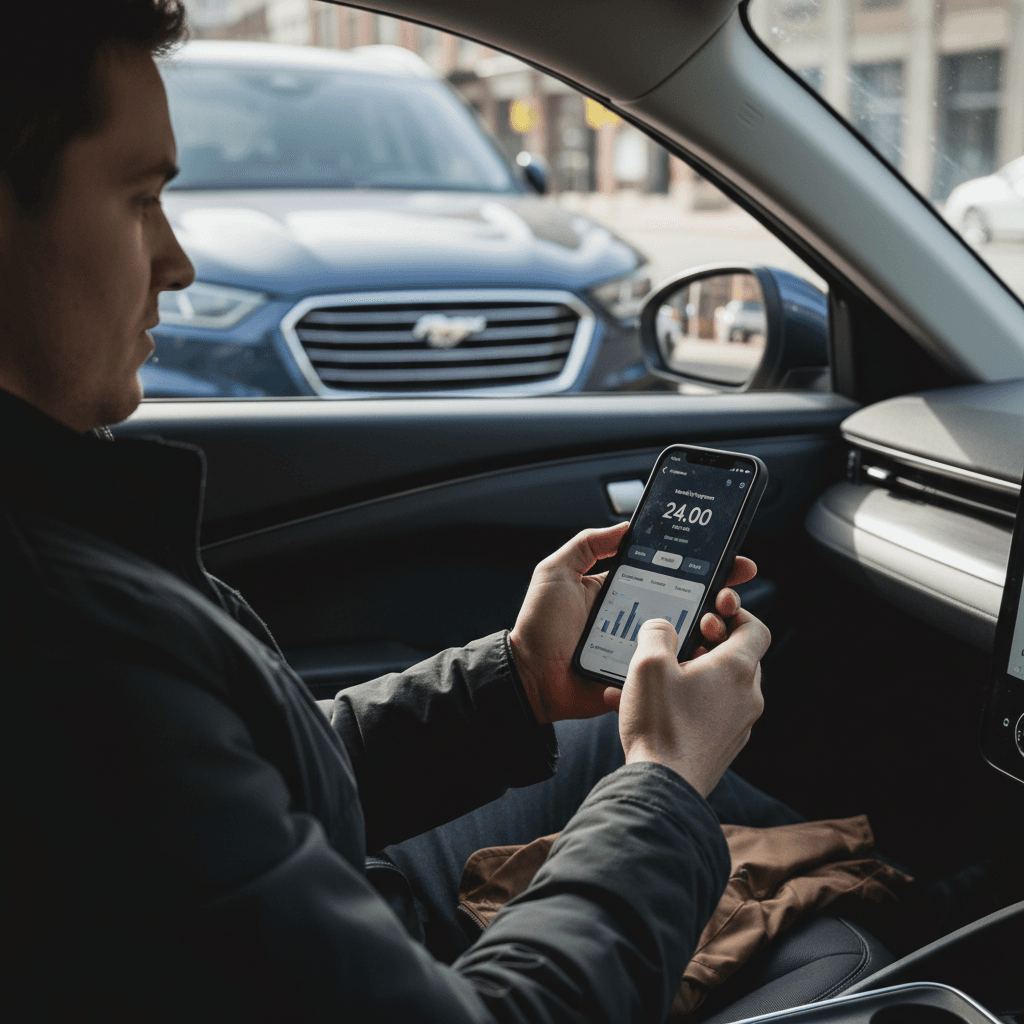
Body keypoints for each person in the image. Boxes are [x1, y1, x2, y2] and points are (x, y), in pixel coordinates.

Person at [2, 3, 780, 1021]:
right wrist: (669, 787)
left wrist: (513, 683)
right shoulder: (66, 641)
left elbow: (246, 774)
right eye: (142, 197)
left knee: (596, 739)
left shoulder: (61, 543)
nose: (177, 261)